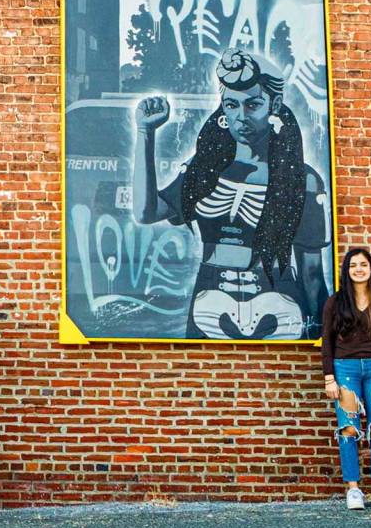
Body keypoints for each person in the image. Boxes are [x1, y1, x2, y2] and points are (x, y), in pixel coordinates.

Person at [133, 50, 329, 340]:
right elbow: (146, 212)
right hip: (208, 306)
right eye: (231, 105)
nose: (241, 117)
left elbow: (312, 274)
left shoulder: (303, 179)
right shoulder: (205, 170)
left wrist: (323, 340)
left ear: (274, 105)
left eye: (253, 105)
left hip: (281, 309)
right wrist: (145, 133)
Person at [318, 248, 371, 511]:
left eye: (363, 264)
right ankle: (353, 489)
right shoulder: (335, 302)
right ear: (347, 270)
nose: (359, 269)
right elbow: (327, 342)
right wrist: (329, 378)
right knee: (349, 428)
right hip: (345, 369)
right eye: (353, 265)